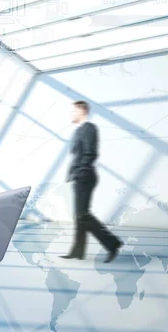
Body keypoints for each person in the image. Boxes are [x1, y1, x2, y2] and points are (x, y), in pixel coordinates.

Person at [62, 100, 123, 263]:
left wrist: (81, 171)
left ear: (82, 111)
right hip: (79, 176)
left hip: (85, 176)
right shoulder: (78, 131)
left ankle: (113, 243)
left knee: (83, 215)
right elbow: (76, 155)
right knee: (80, 216)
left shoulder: (89, 128)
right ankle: (77, 251)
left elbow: (90, 152)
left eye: (74, 111)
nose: (71, 114)